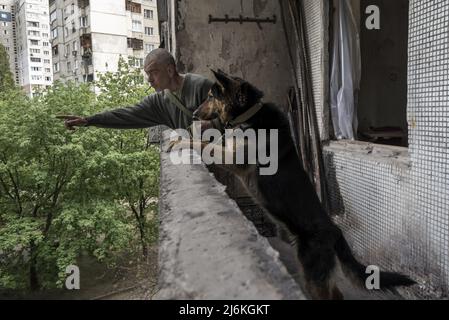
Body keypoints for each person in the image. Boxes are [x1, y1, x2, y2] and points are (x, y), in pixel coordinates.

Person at [58, 48, 218, 133]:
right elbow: (126, 115)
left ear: (170, 71)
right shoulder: (159, 101)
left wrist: (212, 125)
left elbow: (234, 118)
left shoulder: (201, 86)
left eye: (153, 73)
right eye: (147, 74)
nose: (149, 80)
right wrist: (89, 120)